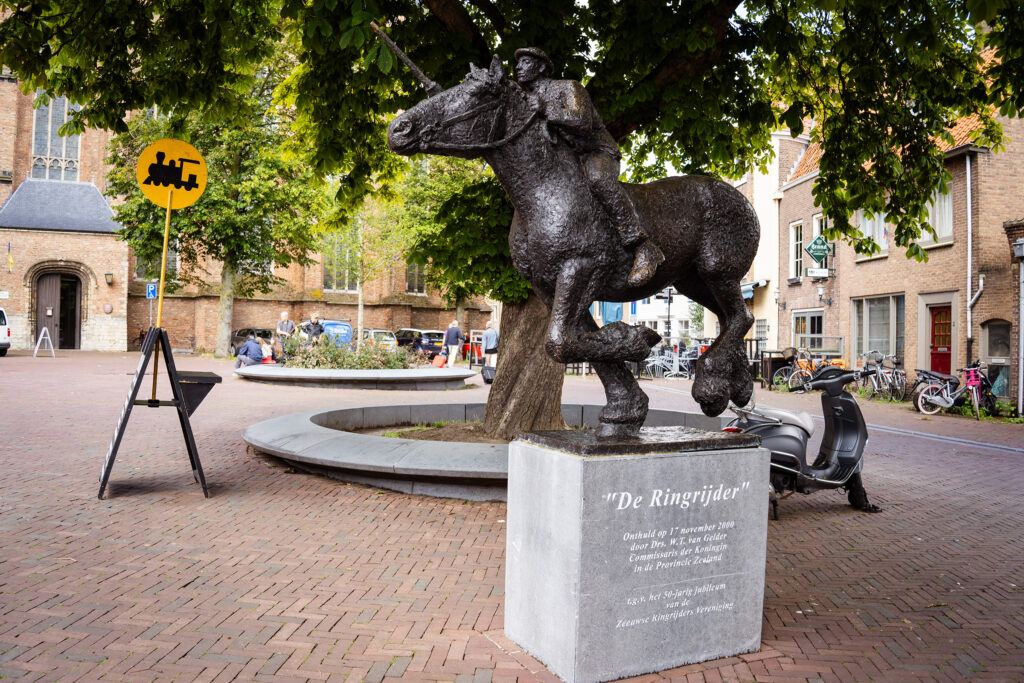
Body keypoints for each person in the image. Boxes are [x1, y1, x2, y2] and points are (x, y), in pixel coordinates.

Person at [513, 47, 665, 288]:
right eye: (517, 63)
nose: (518, 67)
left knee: (598, 180)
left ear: (541, 67)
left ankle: (643, 246)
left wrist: (545, 110)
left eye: (525, 61)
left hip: (595, 152)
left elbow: (582, 122)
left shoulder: (567, 88)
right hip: (564, 162)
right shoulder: (525, 100)